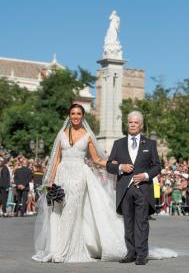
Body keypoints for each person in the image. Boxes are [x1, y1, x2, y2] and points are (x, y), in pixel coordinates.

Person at [32, 105, 177, 263]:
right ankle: (56, 249)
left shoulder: (87, 135)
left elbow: (97, 159)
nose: (75, 116)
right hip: (62, 175)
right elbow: (56, 160)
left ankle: (64, 251)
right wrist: (51, 180)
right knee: (57, 212)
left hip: (80, 176)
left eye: (78, 113)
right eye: (73, 113)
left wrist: (116, 164)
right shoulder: (61, 134)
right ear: (69, 115)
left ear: (83, 116)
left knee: (71, 210)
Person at [107, 111, 161, 265]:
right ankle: (131, 253)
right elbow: (109, 165)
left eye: (135, 122)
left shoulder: (150, 144)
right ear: (127, 124)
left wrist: (145, 175)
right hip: (124, 189)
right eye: (130, 122)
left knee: (142, 222)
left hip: (143, 189)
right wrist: (121, 167)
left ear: (141, 125)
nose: (132, 125)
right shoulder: (118, 143)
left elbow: (157, 166)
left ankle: (142, 254)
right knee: (128, 222)